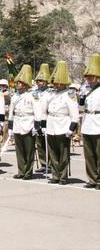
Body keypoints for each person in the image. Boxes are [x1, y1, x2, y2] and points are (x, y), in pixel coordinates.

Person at [42, 61, 79, 185]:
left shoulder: (70, 95)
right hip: (51, 124)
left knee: (63, 153)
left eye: (58, 83)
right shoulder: (50, 94)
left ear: (64, 83)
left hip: (63, 125)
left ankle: (63, 176)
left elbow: (74, 114)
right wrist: (43, 125)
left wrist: (71, 128)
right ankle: (55, 175)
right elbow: (44, 109)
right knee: (52, 152)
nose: (56, 85)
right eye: (55, 82)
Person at [8, 65, 41, 180]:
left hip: (28, 123)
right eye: (18, 83)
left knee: (29, 150)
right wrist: (10, 127)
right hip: (17, 123)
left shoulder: (32, 95)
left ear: (26, 85)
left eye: (20, 83)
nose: (18, 84)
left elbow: (37, 112)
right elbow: (11, 112)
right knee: (20, 150)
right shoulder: (14, 96)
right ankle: (21, 171)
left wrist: (36, 126)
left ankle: (28, 172)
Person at [79, 54, 100, 189]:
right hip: (87, 123)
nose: (89, 79)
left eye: (92, 77)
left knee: (99, 154)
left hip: (98, 123)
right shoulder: (85, 89)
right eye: (87, 77)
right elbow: (80, 108)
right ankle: (92, 179)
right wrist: (81, 98)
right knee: (89, 155)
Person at [32, 63, 53, 173]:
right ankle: (43, 164)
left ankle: (50, 164)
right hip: (37, 120)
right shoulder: (34, 93)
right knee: (39, 143)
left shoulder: (50, 92)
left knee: (48, 143)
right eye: (38, 81)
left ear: (46, 81)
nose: (39, 83)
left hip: (48, 120)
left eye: (41, 81)